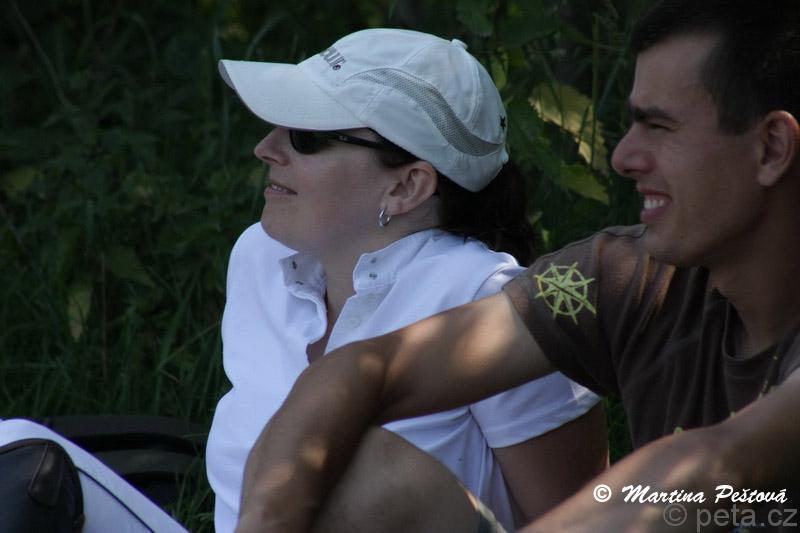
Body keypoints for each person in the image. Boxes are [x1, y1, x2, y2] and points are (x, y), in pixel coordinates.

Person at [234, 1, 800, 532]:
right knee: (345, 464)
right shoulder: (626, 276)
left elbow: (713, 467)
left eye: (661, 127)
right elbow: (363, 369)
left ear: (772, 148)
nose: (622, 157)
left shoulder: (493, 279)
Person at [207, 28, 607, 532]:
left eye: (306, 137)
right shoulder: (260, 258)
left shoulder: (488, 302)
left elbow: (584, 520)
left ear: (406, 185)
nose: (266, 148)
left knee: (355, 466)